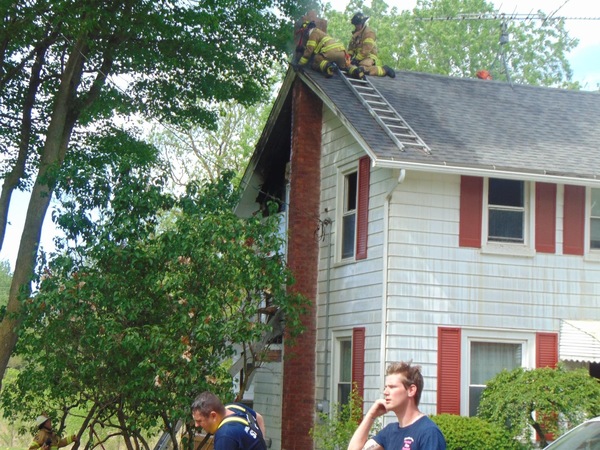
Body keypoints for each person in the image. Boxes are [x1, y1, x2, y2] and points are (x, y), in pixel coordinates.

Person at [347, 361, 446, 450]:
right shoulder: (389, 432)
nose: (385, 392)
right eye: (386, 387)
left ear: (411, 390)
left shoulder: (429, 432)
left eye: (392, 387)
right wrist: (371, 416)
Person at [191, 391, 266, 450]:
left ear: (213, 415)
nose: (196, 425)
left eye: (199, 421)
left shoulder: (225, 435)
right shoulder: (234, 407)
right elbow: (259, 418)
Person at [295, 21, 364, 79]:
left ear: (306, 29)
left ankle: (328, 67)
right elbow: (316, 48)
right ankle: (357, 71)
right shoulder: (322, 33)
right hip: (342, 53)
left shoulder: (313, 33)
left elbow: (309, 51)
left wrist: (300, 64)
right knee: (345, 66)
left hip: (330, 53)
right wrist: (303, 49)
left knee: (316, 59)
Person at [347, 12, 395, 78]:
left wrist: (356, 60)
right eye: (355, 24)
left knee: (362, 69)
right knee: (352, 68)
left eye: (358, 24)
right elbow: (351, 48)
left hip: (369, 56)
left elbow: (367, 49)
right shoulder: (355, 35)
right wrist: (348, 57)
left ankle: (384, 70)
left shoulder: (369, 33)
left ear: (362, 23)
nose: (356, 26)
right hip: (359, 57)